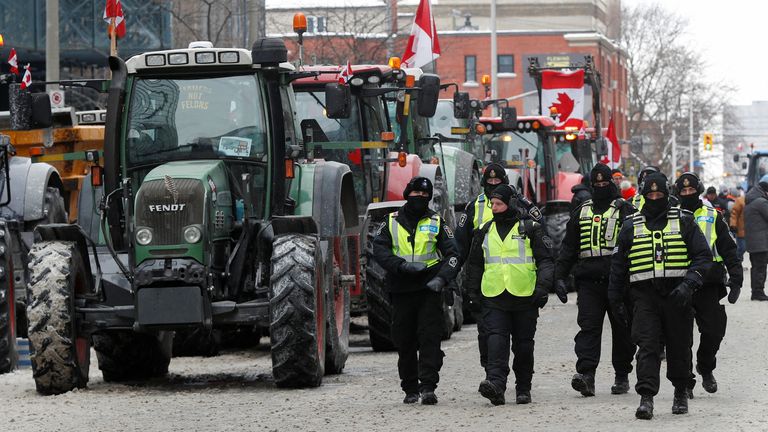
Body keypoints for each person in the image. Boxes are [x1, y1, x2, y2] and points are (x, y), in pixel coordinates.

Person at [607, 172, 712, 420]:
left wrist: (689, 284)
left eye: (659, 194)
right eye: (650, 194)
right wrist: (615, 299)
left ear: (667, 195)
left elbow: (703, 257)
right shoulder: (631, 225)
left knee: (679, 346)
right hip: (644, 296)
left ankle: (680, 392)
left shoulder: (684, 221)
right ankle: (646, 397)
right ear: (643, 196)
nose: (655, 198)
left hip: (678, 295)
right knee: (647, 346)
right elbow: (618, 266)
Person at [372, 176, 460, 405]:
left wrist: (442, 279)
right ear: (407, 194)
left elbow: (453, 254)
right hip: (401, 289)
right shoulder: (389, 221)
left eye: (424, 196)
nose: (419, 198)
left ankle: (428, 386)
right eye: (416, 194)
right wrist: (400, 266)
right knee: (405, 341)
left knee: (430, 339)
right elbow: (379, 250)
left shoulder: (437, 221)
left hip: (429, 289)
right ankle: (410, 388)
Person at [466, 184, 554, 406]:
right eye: (492, 204)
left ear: (511, 204)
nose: (494, 208)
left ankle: (523, 387)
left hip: (525, 296)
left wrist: (543, 288)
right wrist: (472, 293)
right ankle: (496, 384)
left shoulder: (531, 229)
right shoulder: (484, 231)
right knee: (495, 341)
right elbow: (475, 265)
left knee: (524, 346)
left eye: (499, 204)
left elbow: (545, 260)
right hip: (494, 296)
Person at [555, 164, 636, 397]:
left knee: (623, 328)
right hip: (589, 281)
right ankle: (586, 375)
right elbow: (569, 247)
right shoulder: (581, 211)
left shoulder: (624, 210)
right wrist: (559, 276)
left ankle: (622, 375)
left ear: (611, 183)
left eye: (604, 183)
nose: (601, 187)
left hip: (619, 282)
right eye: (596, 184)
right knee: (588, 328)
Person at [456, 163, 541, 371]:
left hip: (518, 281)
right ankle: (492, 374)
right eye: (490, 181)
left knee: (521, 340)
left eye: (498, 181)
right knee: (488, 335)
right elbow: (461, 247)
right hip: (488, 282)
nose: (493, 185)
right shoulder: (473, 206)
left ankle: (518, 380)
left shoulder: (523, 204)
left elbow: (539, 239)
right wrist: (454, 280)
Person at [674, 173, 743, 397]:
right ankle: (685, 382)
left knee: (714, 331)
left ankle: (705, 367)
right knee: (681, 337)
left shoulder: (714, 216)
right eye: (683, 192)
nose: (687, 194)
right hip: (679, 283)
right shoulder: (670, 218)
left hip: (709, 284)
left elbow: (729, 250)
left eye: (691, 190)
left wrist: (736, 279)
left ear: (699, 190)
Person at [744, 175, 768, 301]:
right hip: (761, 242)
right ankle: (758, 292)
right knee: (760, 267)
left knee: (756, 267)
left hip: (754, 241)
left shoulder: (751, 200)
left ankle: (756, 291)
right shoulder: (761, 202)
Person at [730, 193, 747, 262]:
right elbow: (734, 213)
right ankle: (736, 262)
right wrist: (733, 225)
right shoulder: (740, 200)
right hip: (740, 229)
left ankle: (738, 261)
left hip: (751, 229)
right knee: (742, 248)